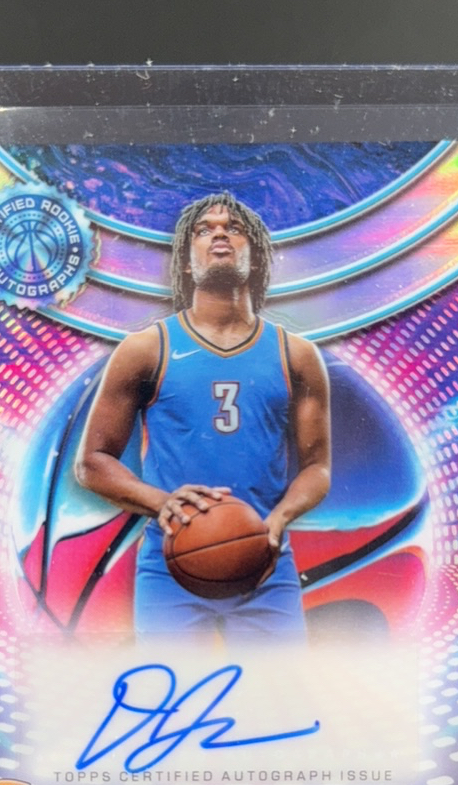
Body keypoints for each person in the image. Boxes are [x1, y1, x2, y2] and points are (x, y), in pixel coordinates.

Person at [75, 193, 331, 641]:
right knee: (170, 686)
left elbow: (318, 468)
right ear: (186, 263)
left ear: (256, 257)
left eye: (234, 228)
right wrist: (162, 502)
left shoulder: (297, 355)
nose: (219, 234)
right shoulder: (146, 349)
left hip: (266, 562)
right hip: (170, 562)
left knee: (279, 686)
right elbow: (92, 462)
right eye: (203, 229)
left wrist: (280, 517)